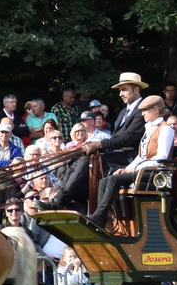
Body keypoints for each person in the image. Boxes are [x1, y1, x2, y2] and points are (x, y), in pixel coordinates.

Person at [60, 72, 148, 214]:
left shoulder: (143, 111)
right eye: (120, 90)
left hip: (130, 156)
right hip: (117, 153)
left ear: (136, 89)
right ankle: (76, 201)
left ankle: (62, 199)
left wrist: (99, 144)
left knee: (87, 161)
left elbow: (129, 137)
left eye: (124, 89)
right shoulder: (122, 112)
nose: (120, 94)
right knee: (77, 160)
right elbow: (117, 137)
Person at [87, 92, 171, 228]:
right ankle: (102, 218)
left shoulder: (165, 129)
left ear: (156, 110)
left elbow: (162, 158)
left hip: (155, 174)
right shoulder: (148, 129)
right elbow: (141, 155)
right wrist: (127, 168)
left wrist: (136, 168)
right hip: (143, 170)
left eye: (145, 111)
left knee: (113, 180)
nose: (142, 114)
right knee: (104, 180)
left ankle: (99, 217)